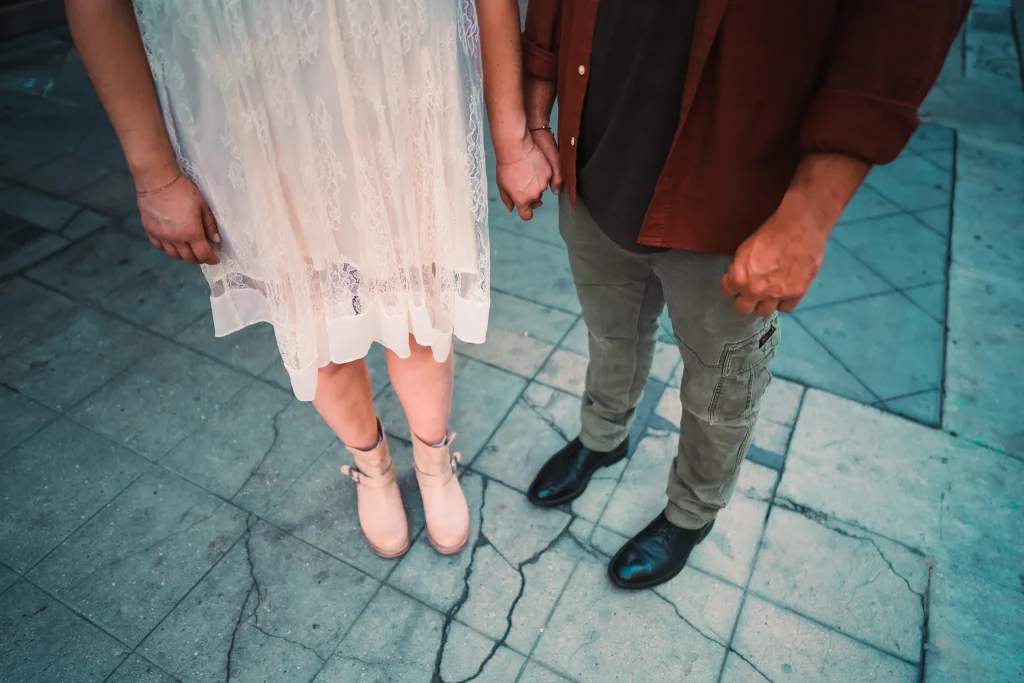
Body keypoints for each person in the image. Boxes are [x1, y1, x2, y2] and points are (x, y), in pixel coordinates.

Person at [66, 0, 551, 559]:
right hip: (256, 106)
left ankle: (434, 463)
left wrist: (513, 135)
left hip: (395, 82)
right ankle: (373, 467)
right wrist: (153, 173)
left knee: (418, 315)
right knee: (316, 324)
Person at [518, 0, 969, 589]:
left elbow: (904, 23)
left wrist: (809, 213)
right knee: (610, 334)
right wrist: (536, 115)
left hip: (729, 193)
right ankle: (603, 438)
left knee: (720, 387)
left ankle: (692, 510)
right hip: (593, 160)